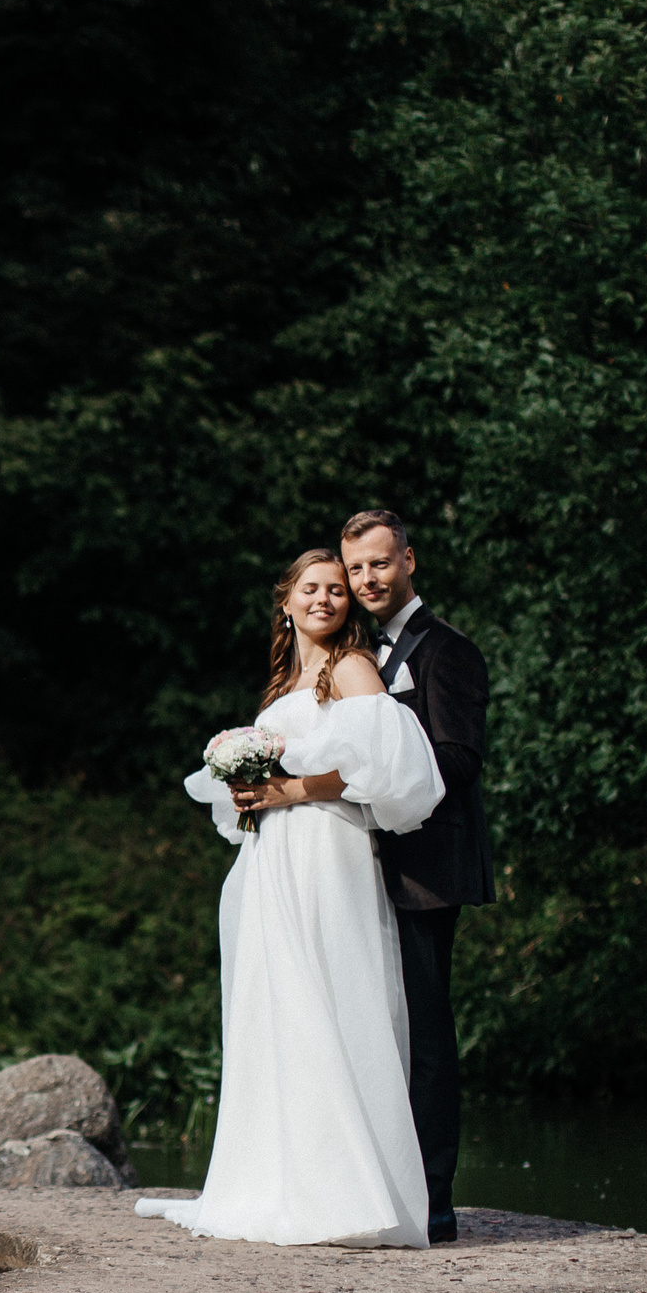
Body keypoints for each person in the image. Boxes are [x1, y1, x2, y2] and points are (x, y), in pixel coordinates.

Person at [139, 548, 446, 1248]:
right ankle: (284, 1181)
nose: (325, 599)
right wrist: (249, 790)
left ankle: (350, 1194)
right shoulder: (285, 682)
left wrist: (286, 790)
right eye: (312, 588)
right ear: (287, 601)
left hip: (327, 850)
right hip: (273, 854)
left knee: (329, 996)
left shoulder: (352, 667)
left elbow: (380, 764)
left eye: (337, 589)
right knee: (279, 1007)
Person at [339, 509, 494, 1246]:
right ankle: (378, 1186)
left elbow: (459, 758)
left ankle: (434, 1199)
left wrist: (371, 782)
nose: (368, 579)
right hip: (363, 867)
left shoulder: (448, 650)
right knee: (377, 1030)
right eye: (356, 568)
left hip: (427, 871)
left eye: (380, 563)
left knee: (426, 1033)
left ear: (408, 560)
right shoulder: (355, 652)